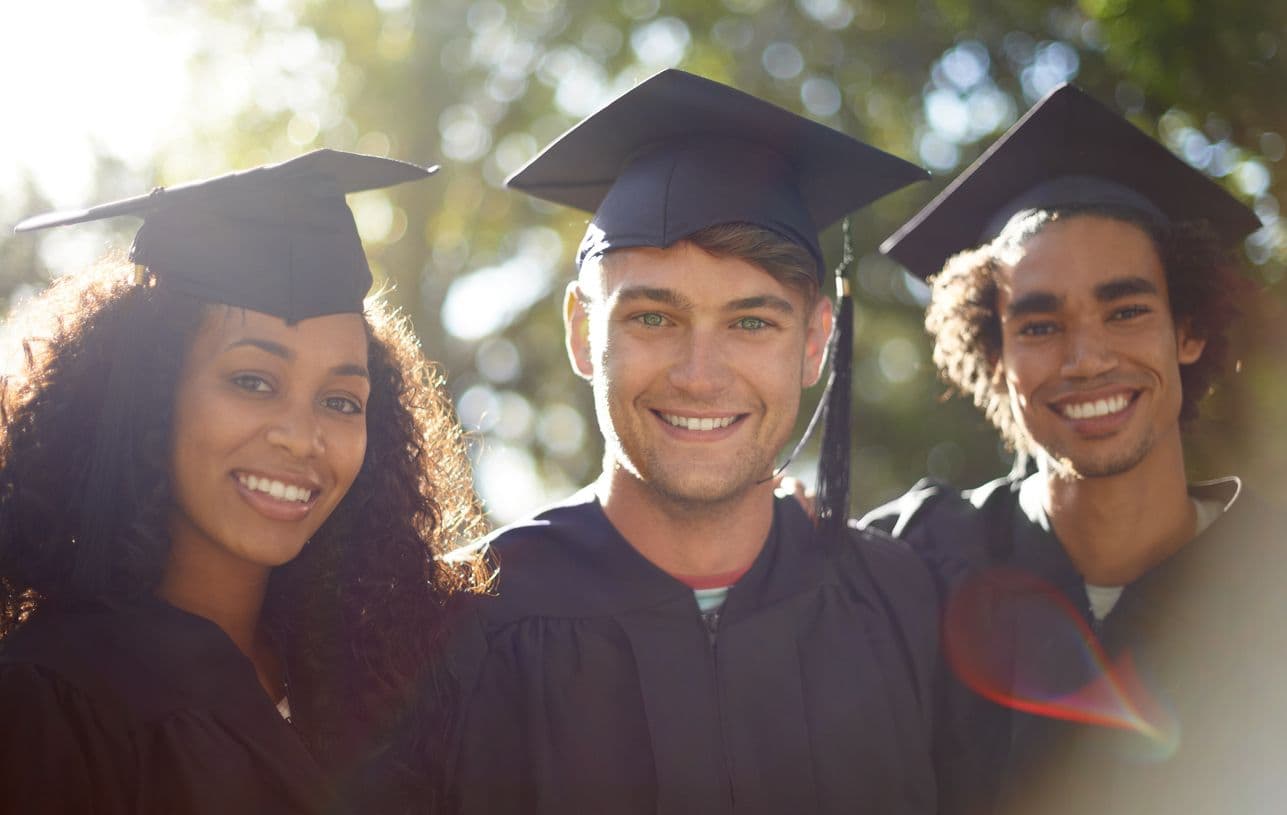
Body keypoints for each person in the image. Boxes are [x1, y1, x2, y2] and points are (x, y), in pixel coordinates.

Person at [445, 68, 948, 814]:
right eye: (652, 317)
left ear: (814, 342)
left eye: (751, 322)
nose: (699, 376)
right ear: (584, 332)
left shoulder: (897, 599)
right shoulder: (461, 623)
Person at [0, 150, 489, 814]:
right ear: (151, 393)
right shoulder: (51, 699)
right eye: (252, 381)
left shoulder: (380, 676)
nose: (301, 435)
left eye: (341, 400)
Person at [864, 83, 1286, 814]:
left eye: (1125, 311)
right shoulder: (911, 562)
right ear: (995, 356)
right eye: (1037, 325)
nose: (1085, 358)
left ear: (1186, 332)